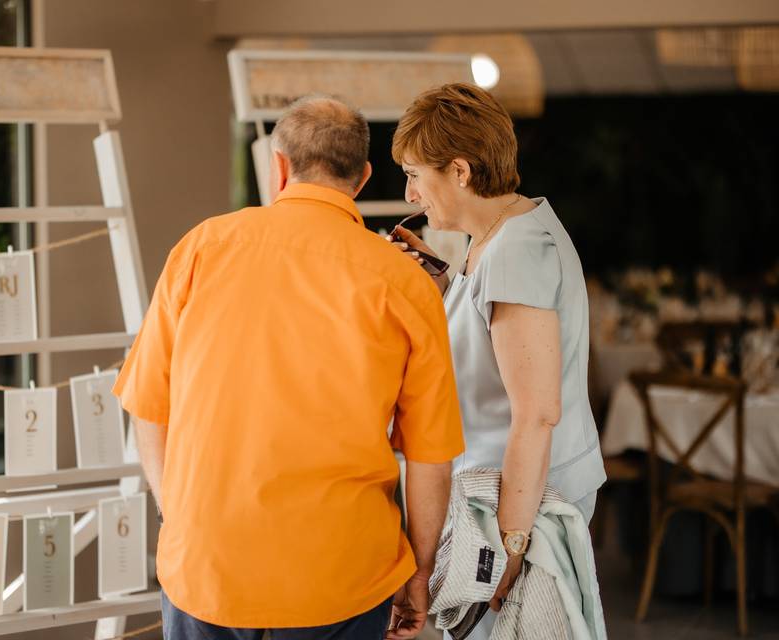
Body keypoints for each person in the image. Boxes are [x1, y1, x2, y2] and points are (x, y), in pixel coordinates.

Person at [113, 95, 465, 640]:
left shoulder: (200, 249)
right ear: (363, 177)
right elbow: (430, 460)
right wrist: (419, 573)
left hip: (207, 565)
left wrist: (180, 519)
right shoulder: (405, 285)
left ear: (279, 166)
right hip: (342, 575)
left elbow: (148, 410)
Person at [387, 83, 606, 636]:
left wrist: (513, 542)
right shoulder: (504, 234)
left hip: (520, 500)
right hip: (505, 489)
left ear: (459, 170)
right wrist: (440, 282)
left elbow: (537, 411)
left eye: (416, 174)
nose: (411, 195)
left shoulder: (514, 250)